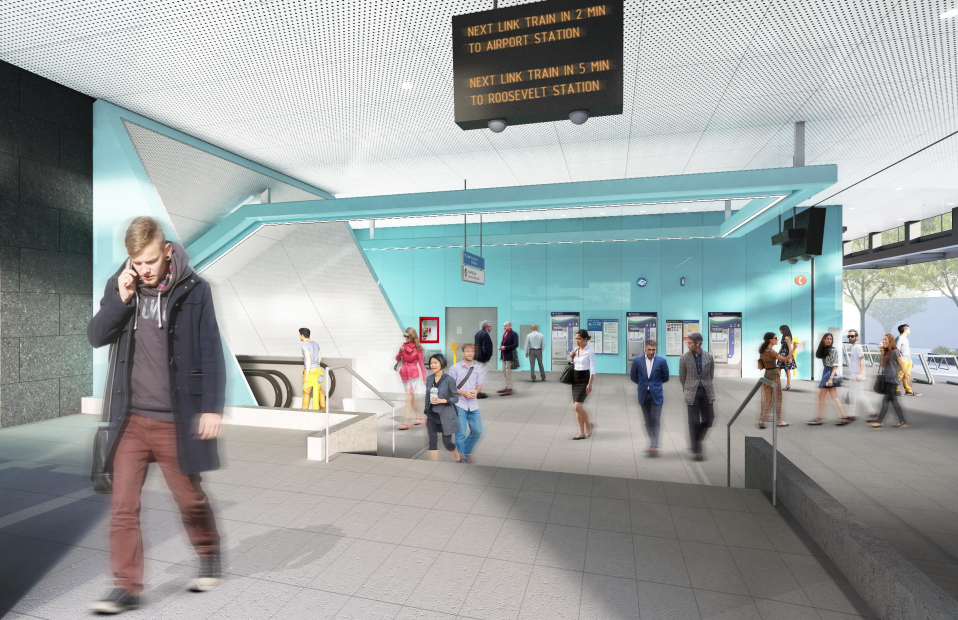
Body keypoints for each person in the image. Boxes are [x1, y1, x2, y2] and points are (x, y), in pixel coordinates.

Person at [87, 217, 224, 614]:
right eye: (136, 262)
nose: (144, 270)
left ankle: (208, 551)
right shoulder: (122, 286)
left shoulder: (196, 291)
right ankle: (126, 587)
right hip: (130, 420)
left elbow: (211, 350)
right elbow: (96, 335)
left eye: (149, 261)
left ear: (166, 252)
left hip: (175, 421)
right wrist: (122, 298)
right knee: (123, 507)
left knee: (190, 500)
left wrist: (211, 407)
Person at [679, 332, 715, 461]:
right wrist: (688, 388)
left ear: (697, 343)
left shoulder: (709, 357)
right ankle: (697, 449)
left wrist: (705, 385)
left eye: (689, 343)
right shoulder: (684, 358)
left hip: (706, 391)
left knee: (709, 419)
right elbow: (682, 377)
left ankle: (696, 439)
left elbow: (711, 375)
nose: (688, 345)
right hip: (692, 392)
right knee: (693, 421)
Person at [630, 339, 669, 455]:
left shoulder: (661, 361)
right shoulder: (637, 360)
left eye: (653, 350)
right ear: (645, 348)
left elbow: (665, 377)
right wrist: (643, 385)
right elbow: (633, 376)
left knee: (655, 420)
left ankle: (653, 445)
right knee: (647, 421)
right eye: (649, 349)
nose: (651, 352)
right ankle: (653, 441)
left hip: (656, 394)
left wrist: (654, 385)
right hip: (643, 394)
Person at [423, 353, 462, 461]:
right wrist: (426, 413)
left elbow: (455, 398)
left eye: (435, 363)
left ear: (442, 363)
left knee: (447, 443)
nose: (433, 365)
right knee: (432, 442)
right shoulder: (429, 378)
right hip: (432, 416)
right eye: (431, 363)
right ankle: (433, 466)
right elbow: (427, 396)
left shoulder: (449, 379)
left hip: (446, 416)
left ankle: (456, 454)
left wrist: (442, 400)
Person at [450, 343, 483, 463]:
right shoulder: (455, 368)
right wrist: (464, 393)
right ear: (463, 353)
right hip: (459, 404)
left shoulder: (478, 368)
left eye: (472, 351)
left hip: (473, 405)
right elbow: (451, 387)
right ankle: (461, 458)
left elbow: (480, 384)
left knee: (478, 430)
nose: (470, 353)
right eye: (468, 351)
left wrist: (476, 391)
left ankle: (466, 451)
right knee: (460, 434)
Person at [870, 334, 908, 428]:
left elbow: (901, 364)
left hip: (892, 380)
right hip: (886, 379)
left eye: (885, 339)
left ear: (890, 341)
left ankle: (879, 421)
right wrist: (882, 353)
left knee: (885, 401)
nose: (883, 341)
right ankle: (902, 421)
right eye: (883, 339)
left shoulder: (895, 352)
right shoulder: (886, 352)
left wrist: (906, 377)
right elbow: (882, 365)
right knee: (894, 402)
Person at [811, 333, 849, 425]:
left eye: (830, 339)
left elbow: (835, 365)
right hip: (827, 372)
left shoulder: (833, 350)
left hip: (829, 373)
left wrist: (831, 378)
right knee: (833, 397)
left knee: (823, 396)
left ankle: (820, 419)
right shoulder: (825, 350)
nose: (829, 340)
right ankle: (843, 417)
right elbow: (818, 355)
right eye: (827, 339)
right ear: (824, 339)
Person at [396, 327, 427, 430]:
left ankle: (405, 421)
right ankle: (419, 415)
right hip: (404, 373)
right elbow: (397, 358)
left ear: (413, 336)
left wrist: (425, 377)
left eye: (407, 336)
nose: (406, 338)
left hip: (413, 374)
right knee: (411, 397)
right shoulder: (403, 346)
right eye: (405, 336)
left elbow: (421, 363)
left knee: (408, 396)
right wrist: (400, 352)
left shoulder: (418, 348)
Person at [758, 332, 791, 428]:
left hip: (767, 374)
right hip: (773, 374)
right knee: (778, 397)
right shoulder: (771, 351)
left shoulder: (764, 350)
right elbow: (786, 359)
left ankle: (762, 419)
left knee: (767, 398)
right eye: (775, 338)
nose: (777, 339)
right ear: (770, 340)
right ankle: (779, 420)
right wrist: (790, 345)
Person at [569, 329, 595, 440]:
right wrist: (572, 357)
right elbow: (575, 363)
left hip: (584, 379)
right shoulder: (576, 349)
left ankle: (589, 425)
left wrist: (590, 383)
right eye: (576, 339)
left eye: (579, 339)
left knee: (577, 406)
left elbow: (593, 369)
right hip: (575, 379)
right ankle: (581, 433)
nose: (577, 341)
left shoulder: (590, 351)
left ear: (585, 339)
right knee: (577, 408)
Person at [846, 329, 875, 422]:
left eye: (852, 336)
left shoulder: (858, 347)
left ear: (856, 337)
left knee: (858, 394)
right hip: (854, 375)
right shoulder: (854, 347)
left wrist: (859, 374)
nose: (850, 338)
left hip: (857, 375)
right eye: (849, 336)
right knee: (854, 394)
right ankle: (853, 414)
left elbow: (862, 360)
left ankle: (871, 412)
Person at [299, 327, 325, 410]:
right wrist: (316, 365)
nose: (299, 337)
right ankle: (323, 407)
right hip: (318, 368)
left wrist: (307, 373)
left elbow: (308, 359)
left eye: (299, 335)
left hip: (310, 369)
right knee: (319, 389)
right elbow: (319, 357)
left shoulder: (304, 345)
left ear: (302, 335)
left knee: (306, 391)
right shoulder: (316, 344)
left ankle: (304, 410)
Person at [895, 324, 921, 397]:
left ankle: (908, 391)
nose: (910, 331)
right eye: (909, 329)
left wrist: (910, 360)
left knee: (907, 376)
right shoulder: (899, 339)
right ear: (905, 330)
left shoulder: (906, 339)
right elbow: (897, 350)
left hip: (908, 359)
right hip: (903, 360)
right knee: (899, 376)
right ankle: (896, 390)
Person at [474, 320, 494, 399]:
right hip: (483, 358)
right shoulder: (485, 334)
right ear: (486, 327)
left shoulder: (478, 333)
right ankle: (477, 392)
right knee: (482, 375)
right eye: (490, 326)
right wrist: (487, 357)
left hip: (479, 357)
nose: (491, 328)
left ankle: (477, 390)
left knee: (479, 373)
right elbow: (485, 347)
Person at [498, 320, 519, 396]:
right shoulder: (505, 333)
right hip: (503, 355)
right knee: (503, 371)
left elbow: (515, 345)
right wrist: (501, 346)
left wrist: (505, 347)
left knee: (508, 372)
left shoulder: (514, 334)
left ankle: (510, 388)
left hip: (509, 355)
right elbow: (503, 342)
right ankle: (506, 386)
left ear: (510, 326)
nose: (504, 327)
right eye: (503, 326)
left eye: (506, 326)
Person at [777, 325, 797, 390]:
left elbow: (790, 348)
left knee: (787, 370)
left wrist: (790, 357)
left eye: (780, 329)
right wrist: (777, 354)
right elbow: (782, 346)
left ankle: (788, 384)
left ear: (783, 330)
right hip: (782, 354)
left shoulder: (787, 338)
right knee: (778, 368)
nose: (780, 331)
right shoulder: (784, 337)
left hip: (786, 354)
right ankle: (777, 384)